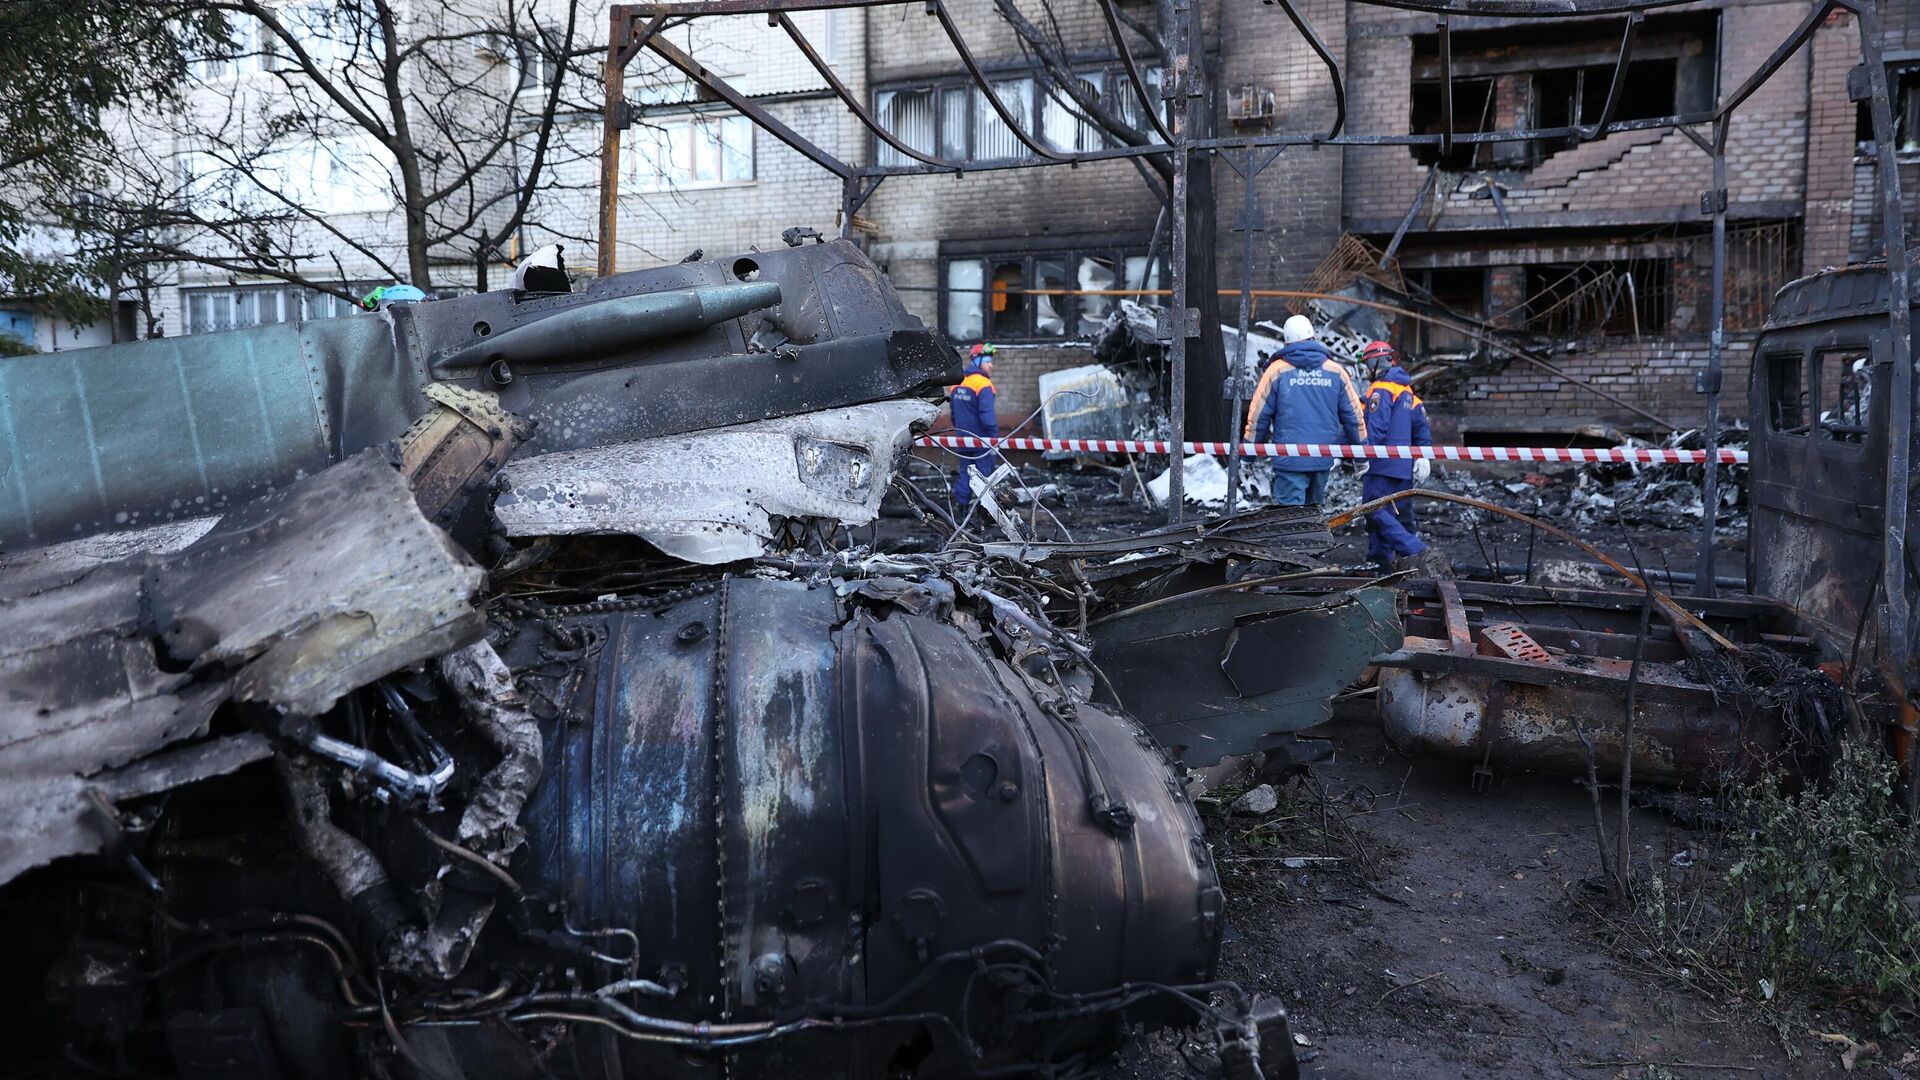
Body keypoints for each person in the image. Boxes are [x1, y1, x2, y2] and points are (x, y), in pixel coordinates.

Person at [1246, 315, 1366, 506]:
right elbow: (1354, 418)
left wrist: (1247, 455)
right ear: (1312, 337)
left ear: (1287, 340)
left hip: (1289, 460)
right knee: (1314, 518)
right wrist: (1361, 456)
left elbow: (1258, 417)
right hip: (1322, 459)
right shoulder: (1336, 371)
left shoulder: (1276, 371)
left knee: (1290, 520)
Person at [1359, 340, 1434, 567]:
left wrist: (1361, 455)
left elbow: (1376, 429)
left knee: (1374, 510)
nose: (1364, 370)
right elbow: (1421, 426)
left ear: (1375, 362)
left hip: (1382, 465)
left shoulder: (1380, 389)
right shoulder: (1407, 391)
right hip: (1403, 467)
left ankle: (1417, 552)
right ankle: (1385, 560)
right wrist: (1422, 455)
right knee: (1400, 515)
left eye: (1365, 363)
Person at [949, 343, 998, 508]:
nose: (991, 365)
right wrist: (993, 438)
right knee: (984, 476)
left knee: (965, 473)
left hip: (963, 439)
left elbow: (954, 415)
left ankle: (961, 508)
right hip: (982, 440)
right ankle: (983, 512)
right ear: (978, 361)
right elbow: (987, 416)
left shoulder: (957, 383)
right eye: (988, 361)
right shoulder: (983, 384)